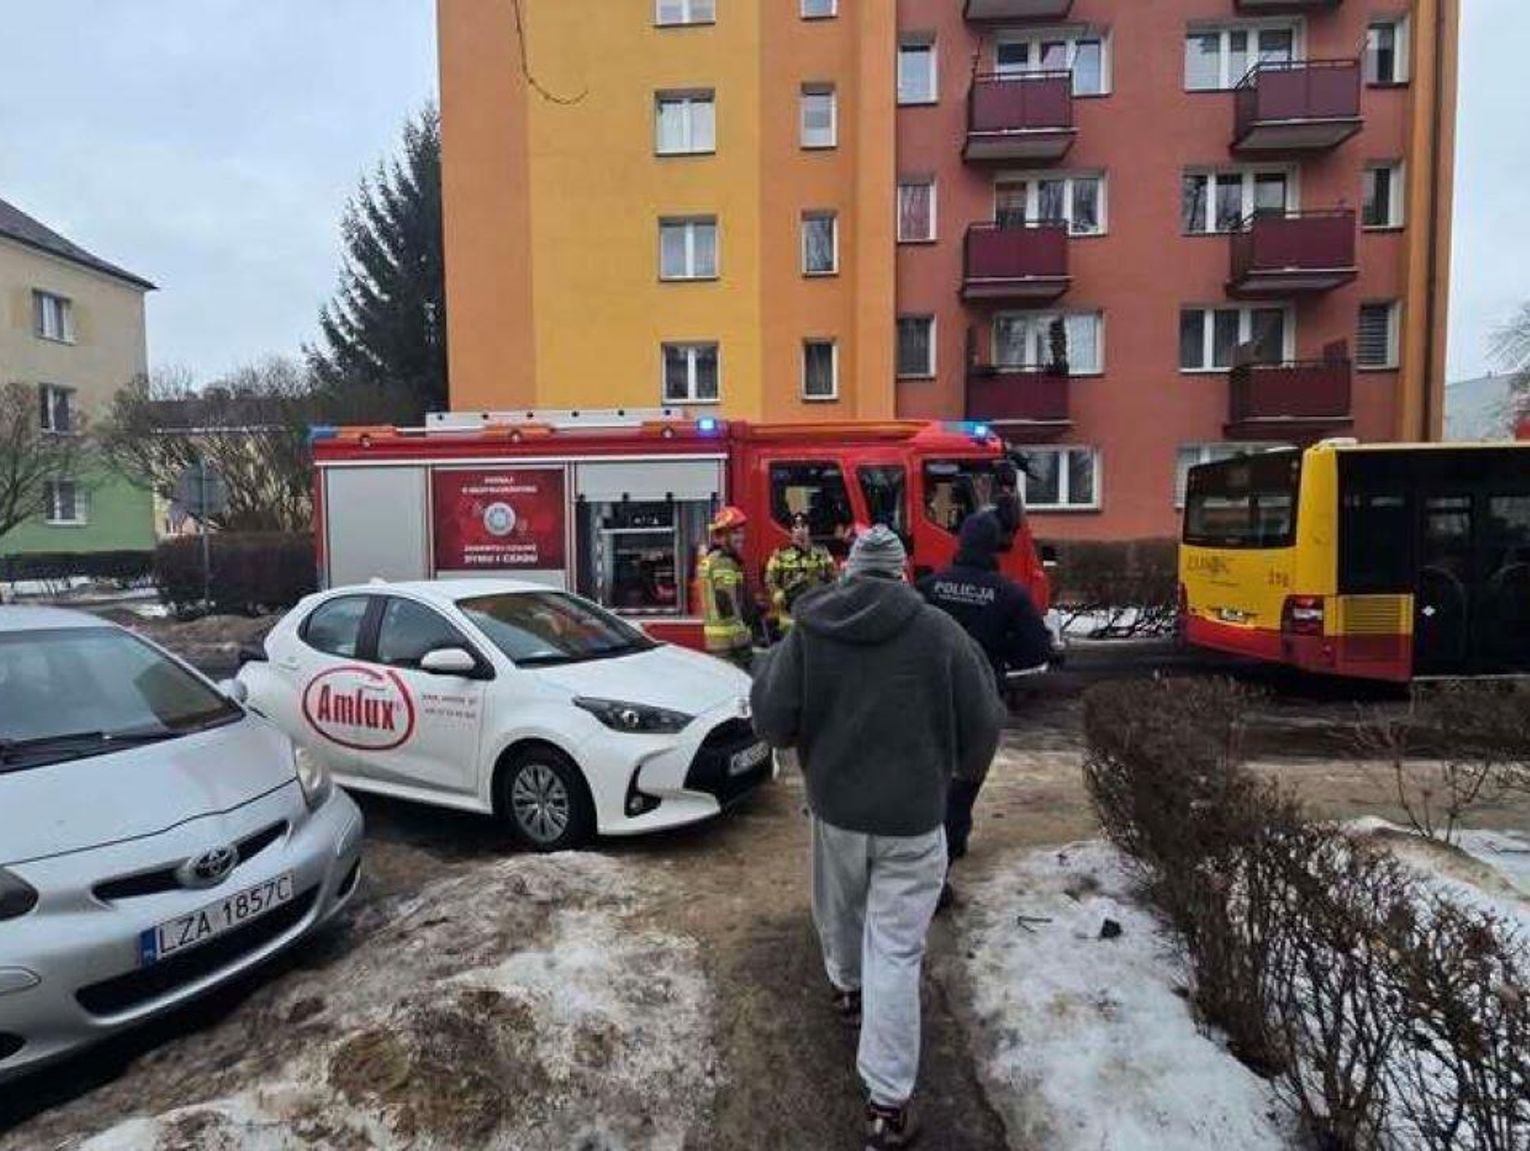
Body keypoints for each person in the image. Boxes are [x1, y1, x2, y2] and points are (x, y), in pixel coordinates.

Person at [750, 525, 1006, 1149]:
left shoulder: (811, 631)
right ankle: (888, 1107)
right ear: (902, 574)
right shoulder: (941, 634)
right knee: (894, 949)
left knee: (838, 910)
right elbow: (984, 725)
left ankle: (846, 991)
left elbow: (772, 721)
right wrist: (963, 775)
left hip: (836, 811)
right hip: (915, 821)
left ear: (849, 570)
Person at [917, 510, 1051, 905]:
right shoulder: (1009, 593)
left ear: (960, 543)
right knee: (964, 783)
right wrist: (996, 654)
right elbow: (1038, 648)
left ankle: (936, 853)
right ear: (994, 546)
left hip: (930, 699)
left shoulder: (929, 586)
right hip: (980, 699)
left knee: (931, 781)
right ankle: (944, 862)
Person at [697, 505, 755, 670]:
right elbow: (727, 604)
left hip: (718, 641)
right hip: (729, 642)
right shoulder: (724, 563)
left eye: (742, 532)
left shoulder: (712, 558)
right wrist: (744, 636)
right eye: (736, 533)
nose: (742, 537)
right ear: (721, 536)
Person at [764, 511, 837, 634]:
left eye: (804, 526)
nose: (800, 531)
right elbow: (770, 579)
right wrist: (779, 596)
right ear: (791, 530)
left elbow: (834, 578)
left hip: (817, 613)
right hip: (790, 617)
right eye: (796, 527)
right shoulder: (780, 554)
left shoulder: (822, 553)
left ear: (809, 529)